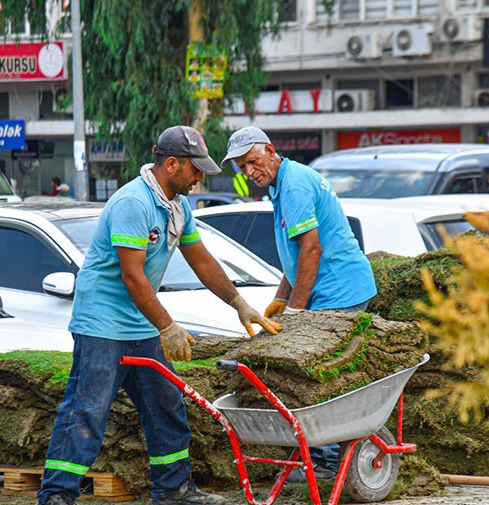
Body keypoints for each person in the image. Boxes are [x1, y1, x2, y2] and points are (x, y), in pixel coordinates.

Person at [37, 125, 281, 505]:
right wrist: (167, 326)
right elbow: (132, 277)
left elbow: (201, 259)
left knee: (165, 405)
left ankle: (173, 491)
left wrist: (238, 303)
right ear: (171, 164)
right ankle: (56, 496)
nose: (201, 176)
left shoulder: (179, 205)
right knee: (87, 411)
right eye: (195, 168)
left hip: (140, 326)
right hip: (102, 326)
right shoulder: (133, 203)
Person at [220, 126, 377, 482]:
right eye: (243, 167)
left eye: (253, 161)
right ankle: (320, 454)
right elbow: (295, 255)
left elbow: (312, 249)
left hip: (340, 292)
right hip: (332, 290)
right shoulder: (284, 183)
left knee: (318, 375)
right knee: (316, 374)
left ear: (271, 151)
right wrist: (280, 297)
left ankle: (324, 459)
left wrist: (296, 312)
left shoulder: (294, 185)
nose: (250, 172)